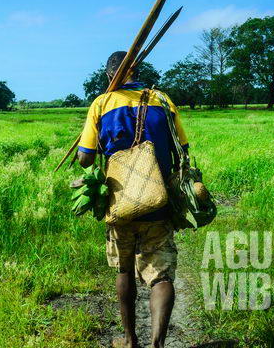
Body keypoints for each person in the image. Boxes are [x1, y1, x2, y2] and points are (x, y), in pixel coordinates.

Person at [77, 51, 190, 348]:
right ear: (136, 69)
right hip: (159, 200)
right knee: (161, 274)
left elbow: (85, 160)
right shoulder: (163, 101)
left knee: (124, 269)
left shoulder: (101, 104)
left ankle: (129, 341)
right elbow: (184, 148)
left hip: (120, 201)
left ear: (108, 75)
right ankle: (158, 344)